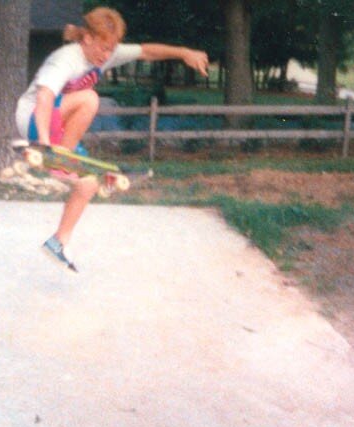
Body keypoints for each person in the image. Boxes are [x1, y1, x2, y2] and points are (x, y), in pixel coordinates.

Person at [16, 6, 209, 272]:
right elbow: (45, 97)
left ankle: (58, 241)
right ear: (87, 39)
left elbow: (147, 51)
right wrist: (46, 144)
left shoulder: (107, 52)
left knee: (88, 184)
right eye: (103, 48)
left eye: (111, 50)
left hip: (57, 126)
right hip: (33, 119)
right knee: (89, 99)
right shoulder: (65, 59)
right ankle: (61, 157)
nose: (106, 56)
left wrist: (184, 53)